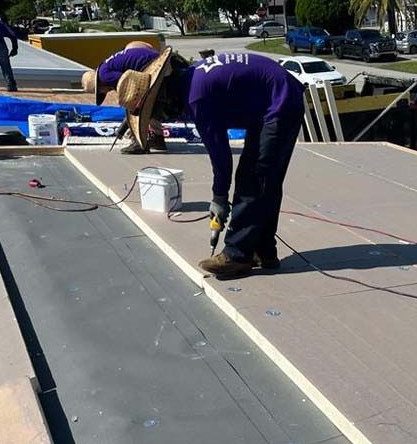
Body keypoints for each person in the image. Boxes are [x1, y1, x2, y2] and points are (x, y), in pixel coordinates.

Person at [116, 49, 306, 278]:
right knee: (265, 180)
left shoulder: (197, 97)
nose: (163, 117)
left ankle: (237, 255)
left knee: (254, 177)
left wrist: (219, 198)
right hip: (270, 101)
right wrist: (221, 196)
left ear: (162, 97)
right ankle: (263, 251)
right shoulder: (192, 79)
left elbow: (221, 156)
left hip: (281, 101)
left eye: (156, 112)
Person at [81, 41, 166, 154]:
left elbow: (131, 84)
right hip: (153, 59)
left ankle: (139, 143)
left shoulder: (104, 76)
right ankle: (157, 138)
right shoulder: (105, 68)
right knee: (144, 101)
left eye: (101, 91)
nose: (106, 92)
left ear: (100, 86)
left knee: (136, 104)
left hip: (150, 64)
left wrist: (130, 116)